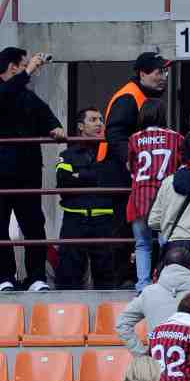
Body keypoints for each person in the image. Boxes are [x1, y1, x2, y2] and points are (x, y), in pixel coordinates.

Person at [99, 52, 172, 287]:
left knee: (140, 232)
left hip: (135, 175)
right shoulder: (129, 97)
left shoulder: (140, 95)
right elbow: (115, 133)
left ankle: (139, 278)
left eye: (165, 72)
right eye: (159, 72)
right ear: (142, 73)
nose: (164, 77)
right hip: (119, 173)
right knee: (123, 227)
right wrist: (130, 161)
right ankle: (124, 279)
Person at [0, 47, 66, 291]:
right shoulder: (6, 89)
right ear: (13, 67)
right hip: (1, 174)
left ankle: (36, 277)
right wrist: (29, 71)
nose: (31, 68)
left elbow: (46, 115)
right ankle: (4, 277)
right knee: (0, 227)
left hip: (26, 172)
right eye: (24, 64)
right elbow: (5, 94)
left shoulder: (28, 96)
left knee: (34, 225)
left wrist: (55, 127)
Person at [54, 107, 115, 290]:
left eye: (101, 120)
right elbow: (64, 184)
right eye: (93, 120)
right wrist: (94, 176)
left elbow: (110, 180)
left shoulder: (111, 153)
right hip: (75, 218)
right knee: (68, 275)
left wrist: (79, 175)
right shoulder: (67, 154)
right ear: (81, 126)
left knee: (106, 278)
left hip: (103, 219)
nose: (99, 124)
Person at [128, 99, 184, 293]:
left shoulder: (134, 138)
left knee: (142, 244)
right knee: (165, 242)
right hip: (165, 197)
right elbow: (181, 166)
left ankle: (142, 286)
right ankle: (165, 283)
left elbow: (131, 167)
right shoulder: (176, 137)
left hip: (140, 197)